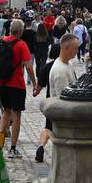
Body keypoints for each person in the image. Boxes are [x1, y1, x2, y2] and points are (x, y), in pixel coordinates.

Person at [0, 18, 39, 156]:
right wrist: (35, 83)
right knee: (17, 115)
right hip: (17, 85)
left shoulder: (0, 41)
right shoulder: (21, 44)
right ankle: (13, 148)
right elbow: (28, 66)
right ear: (21, 31)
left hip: (1, 84)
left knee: (6, 113)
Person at [38, 33, 84, 163]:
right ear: (66, 48)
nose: (77, 51)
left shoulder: (67, 64)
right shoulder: (60, 70)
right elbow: (64, 100)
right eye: (75, 48)